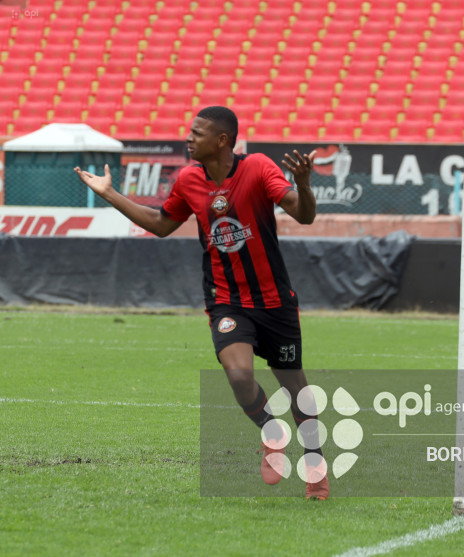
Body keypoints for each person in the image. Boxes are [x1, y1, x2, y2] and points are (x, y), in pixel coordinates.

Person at [74, 106, 329, 499]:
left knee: (296, 388)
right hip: (226, 301)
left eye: (197, 133)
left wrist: (304, 185)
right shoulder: (188, 179)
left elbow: (304, 215)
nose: (188, 138)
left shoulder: (258, 167)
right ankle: (272, 432)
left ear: (222, 140)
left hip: (275, 302)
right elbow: (161, 224)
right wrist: (109, 194)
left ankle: (316, 463)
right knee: (239, 376)